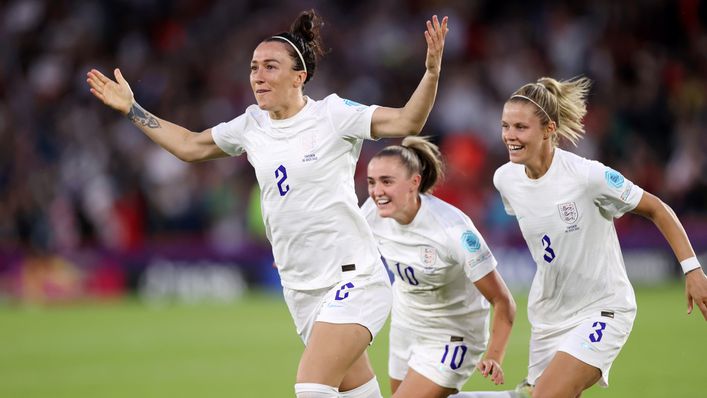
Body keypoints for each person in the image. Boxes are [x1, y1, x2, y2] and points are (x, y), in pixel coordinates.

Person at [86, 9, 449, 398]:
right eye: (254, 67)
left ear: (299, 76)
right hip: (299, 288)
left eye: (270, 66)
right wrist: (133, 109)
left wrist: (430, 72)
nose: (258, 75)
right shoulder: (251, 125)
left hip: (353, 279)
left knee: (311, 386)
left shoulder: (333, 115)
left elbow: (407, 122)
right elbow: (190, 146)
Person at [492, 76, 707, 398]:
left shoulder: (588, 176)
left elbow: (658, 209)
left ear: (549, 129)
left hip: (602, 309)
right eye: (505, 126)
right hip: (548, 316)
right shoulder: (505, 179)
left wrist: (692, 269)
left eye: (520, 127)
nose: (510, 136)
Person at [361, 136, 516, 398]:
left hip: (454, 334)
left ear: (414, 182)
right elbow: (343, 244)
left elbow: (503, 301)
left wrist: (494, 356)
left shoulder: (452, 230)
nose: (377, 191)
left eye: (387, 181)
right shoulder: (372, 212)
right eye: (372, 182)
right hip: (405, 326)